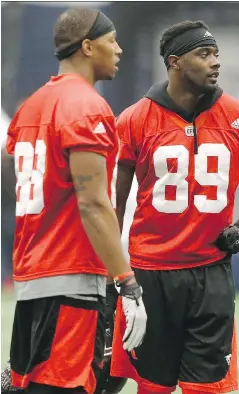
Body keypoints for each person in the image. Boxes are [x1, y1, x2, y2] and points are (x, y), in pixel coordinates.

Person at [108, 20, 239, 394]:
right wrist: (111, 272)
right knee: (153, 386)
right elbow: (113, 204)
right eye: (204, 54)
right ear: (175, 62)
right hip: (150, 273)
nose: (215, 62)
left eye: (216, 53)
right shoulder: (136, 119)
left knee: (209, 388)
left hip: (210, 271)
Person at [5, 8, 147, 394]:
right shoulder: (86, 106)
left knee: (29, 383)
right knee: (62, 388)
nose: (118, 49)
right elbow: (93, 203)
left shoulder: (32, 105)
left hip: (34, 273)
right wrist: (127, 281)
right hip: (70, 274)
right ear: (87, 46)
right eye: (111, 40)